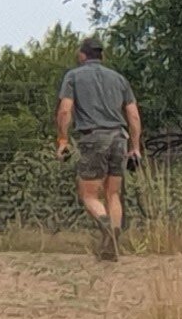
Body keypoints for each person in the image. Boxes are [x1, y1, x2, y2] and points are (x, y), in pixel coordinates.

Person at [55, 38, 142, 260]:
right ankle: (112, 240)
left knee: (89, 195)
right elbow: (132, 115)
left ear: (82, 55)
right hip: (119, 139)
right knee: (113, 193)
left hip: (93, 138)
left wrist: (63, 140)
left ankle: (106, 228)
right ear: (101, 56)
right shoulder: (119, 79)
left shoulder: (73, 76)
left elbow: (65, 111)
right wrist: (135, 147)